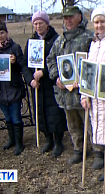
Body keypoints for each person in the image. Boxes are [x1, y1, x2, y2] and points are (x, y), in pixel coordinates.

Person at [46, 6, 104, 168]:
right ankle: (79, 149)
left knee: (91, 123)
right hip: (65, 94)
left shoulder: (88, 38)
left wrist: (85, 80)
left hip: (84, 93)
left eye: (71, 17)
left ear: (79, 17)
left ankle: (98, 151)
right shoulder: (60, 40)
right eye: (65, 18)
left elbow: (94, 63)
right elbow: (50, 60)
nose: (68, 21)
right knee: (73, 125)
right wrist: (57, 76)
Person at [22, 11, 68, 157]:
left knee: (55, 112)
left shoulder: (56, 40)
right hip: (38, 85)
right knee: (41, 111)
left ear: (47, 24)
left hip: (52, 83)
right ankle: (48, 139)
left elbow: (59, 60)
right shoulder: (31, 42)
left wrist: (44, 72)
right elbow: (25, 64)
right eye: (35, 23)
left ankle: (58, 141)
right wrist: (31, 80)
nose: (37, 26)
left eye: (40, 23)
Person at [80, 7, 105, 189]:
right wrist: (84, 95)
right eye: (96, 22)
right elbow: (88, 71)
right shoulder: (93, 44)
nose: (99, 25)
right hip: (95, 99)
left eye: (102, 21)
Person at [0, 20, 27, 156]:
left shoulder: (15, 48)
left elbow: (23, 67)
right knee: (7, 117)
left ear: (7, 33)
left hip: (13, 89)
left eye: (2, 33)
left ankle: (19, 143)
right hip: (0, 90)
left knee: (15, 116)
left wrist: (15, 63)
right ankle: (12, 139)